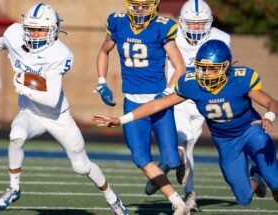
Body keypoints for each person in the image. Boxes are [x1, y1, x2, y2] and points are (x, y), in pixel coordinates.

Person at [0, 3, 128, 214]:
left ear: (53, 30)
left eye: (41, 29)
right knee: (16, 136)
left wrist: (24, 88)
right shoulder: (15, 34)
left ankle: (113, 199)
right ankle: (14, 188)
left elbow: (52, 99)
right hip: (30, 113)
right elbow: (1, 42)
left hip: (57, 116)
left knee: (81, 166)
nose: (34, 34)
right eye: (31, 29)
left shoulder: (59, 54)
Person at [93, 39, 278, 206]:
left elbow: (272, 103)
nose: (207, 74)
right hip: (225, 141)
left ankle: (267, 177)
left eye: (212, 69)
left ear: (226, 67)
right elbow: (158, 104)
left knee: (276, 181)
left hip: (251, 131)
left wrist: (269, 116)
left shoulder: (240, 79)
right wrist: (121, 119)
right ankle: (256, 178)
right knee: (243, 198)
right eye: (203, 68)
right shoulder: (193, 84)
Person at [95, 0, 190, 214]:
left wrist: (166, 93)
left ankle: (181, 156)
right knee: (140, 158)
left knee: (171, 160)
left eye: (145, 5)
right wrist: (101, 82)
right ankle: (177, 202)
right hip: (132, 100)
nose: (139, 10)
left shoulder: (162, 26)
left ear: (154, 6)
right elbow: (103, 51)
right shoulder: (117, 22)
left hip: (158, 101)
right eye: (135, 5)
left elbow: (180, 67)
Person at [144, 0, 231, 211]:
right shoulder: (170, 34)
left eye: (200, 23)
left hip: (202, 100)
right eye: (191, 23)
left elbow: (224, 71)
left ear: (209, 22)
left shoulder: (221, 38)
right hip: (178, 96)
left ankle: (165, 167)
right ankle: (189, 195)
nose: (196, 28)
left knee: (188, 145)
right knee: (184, 141)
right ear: (182, 22)